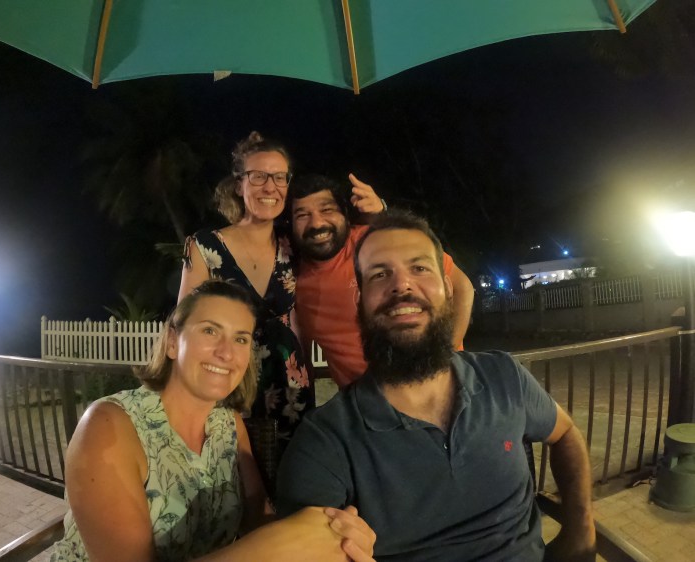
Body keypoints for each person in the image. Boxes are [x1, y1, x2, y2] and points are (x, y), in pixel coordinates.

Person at [277, 211, 596, 561]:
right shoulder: (326, 440)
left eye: (419, 268)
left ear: (447, 287)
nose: (402, 285)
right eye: (380, 274)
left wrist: (581, 529)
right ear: (360, 301)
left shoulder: (503, 375)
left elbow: (565, 433)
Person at [52, 280, 376, 562]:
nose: (226, 353)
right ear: (171, 342)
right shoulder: (109, 425)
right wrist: (276, 546)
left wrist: (328, 531)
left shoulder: (229, 424)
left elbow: (257, 515)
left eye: (241, 339)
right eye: (210, 330)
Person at [178, 132, 311, 446]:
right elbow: (184, 323)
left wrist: (377, 210)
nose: (270, 187)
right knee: (231, 465)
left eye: (280, 177)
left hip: (289, 380)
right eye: (258, 176)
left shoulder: (294, 245)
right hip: (227, 376)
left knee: (291, 465)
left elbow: (343, 244)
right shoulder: (204, 246)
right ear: (239, 185)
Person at [289, 174, 474, 387]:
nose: (316, 223)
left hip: (439, 385)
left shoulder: (376, 242)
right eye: (302, 215)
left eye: (327, 210)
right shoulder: (291, 281)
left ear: (346, 215)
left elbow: (462, 287)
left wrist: (444, 362)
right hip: (364, 403)